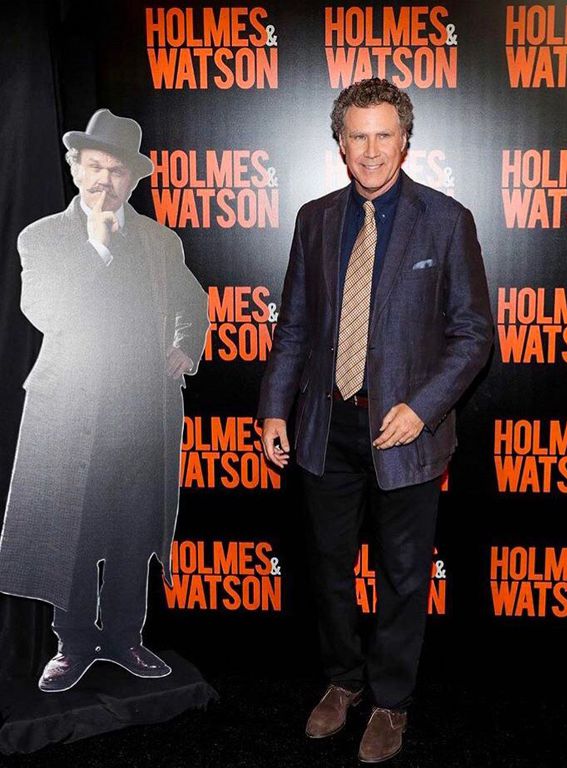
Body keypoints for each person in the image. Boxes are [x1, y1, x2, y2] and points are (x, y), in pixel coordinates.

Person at [258, 78, 493, 763]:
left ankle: (391, 700)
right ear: (340, 143)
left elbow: (474, 333)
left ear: (405, 140)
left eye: (383, 135)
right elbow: (294, 327)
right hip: (325, 427)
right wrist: (274, 407)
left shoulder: (446, 219)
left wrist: (422, 409)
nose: (370, 150)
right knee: (329, 569)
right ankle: (342, 681)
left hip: (405, 434)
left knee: (403, 576)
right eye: (357, 136)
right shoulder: (315, 219)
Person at [0, 109, 208, 692]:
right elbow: (45, 311)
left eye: (116, 171)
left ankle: (124, 638)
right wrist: (95, 247)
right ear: (76, 168)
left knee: (133, 533)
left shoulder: (160, 241)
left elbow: (193, 302)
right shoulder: (42, 237)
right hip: (70, 417)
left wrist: (186, 346)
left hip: (142, 415)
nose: (104, 181)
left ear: (132, 180)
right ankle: (72, 645)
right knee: (70, 529)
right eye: (94, 167)